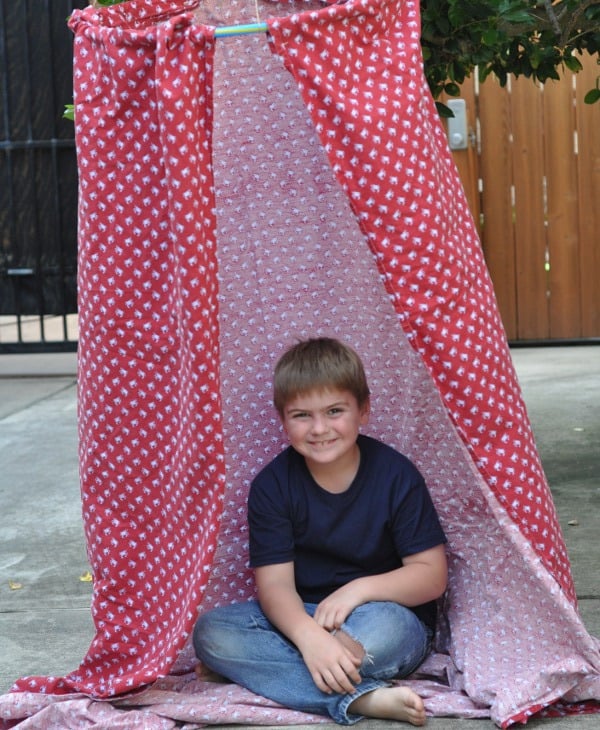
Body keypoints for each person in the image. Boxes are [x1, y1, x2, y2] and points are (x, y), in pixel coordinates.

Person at [193, 337, 448, 726]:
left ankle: (269, 670)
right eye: (301, 415)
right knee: (212, 633)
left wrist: (357, 591)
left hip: (382, 617)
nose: (319, 428)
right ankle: (361, 698)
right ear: (282, 420)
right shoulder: (272, 486)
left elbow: (431, 577)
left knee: (391, 629)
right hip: (303, 616)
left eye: (334, 411)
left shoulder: (397, 475)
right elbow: (275, 587)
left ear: (363, 410)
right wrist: (309, 638)